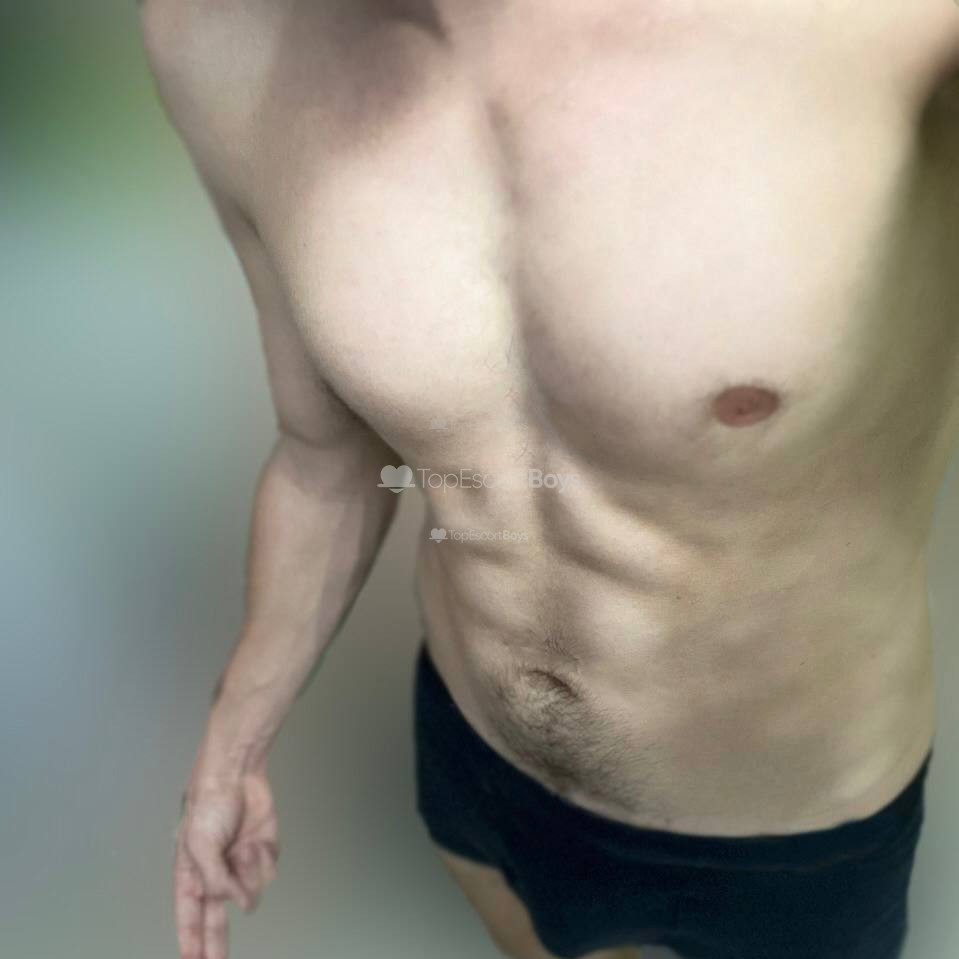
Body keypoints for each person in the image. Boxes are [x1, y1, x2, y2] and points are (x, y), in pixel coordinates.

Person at [141, 2, 959, 958]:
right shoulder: (224, 35)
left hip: (790, 834)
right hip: (476, 768)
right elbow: (324, 454)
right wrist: (233, 741)